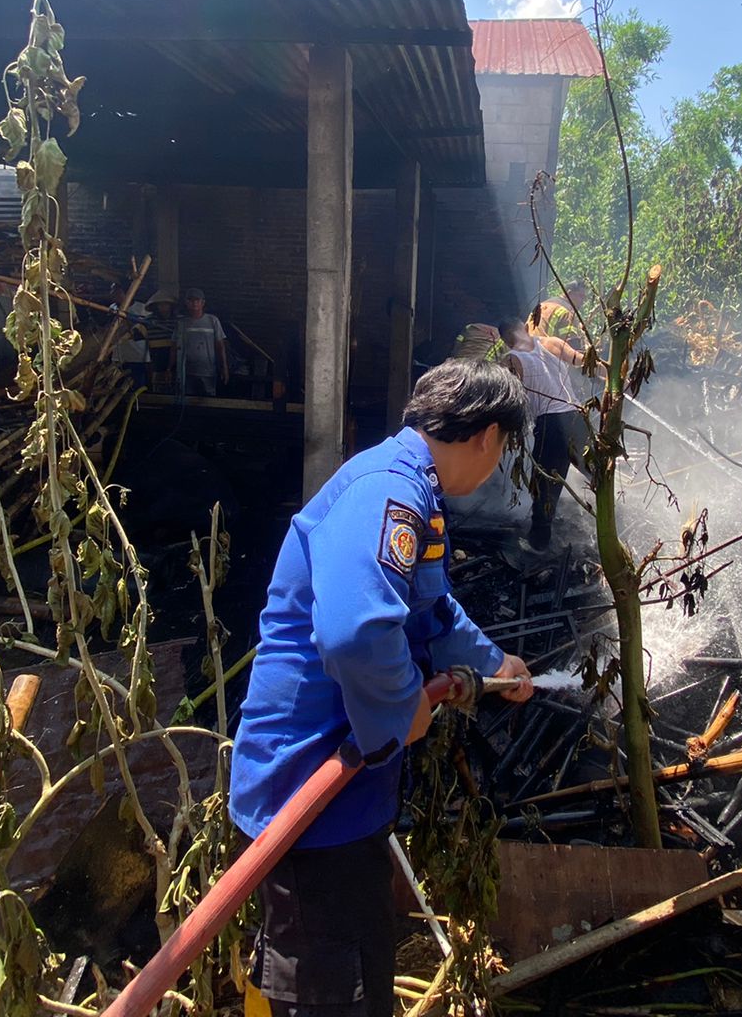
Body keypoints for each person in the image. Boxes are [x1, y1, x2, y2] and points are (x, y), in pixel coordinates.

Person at [230, 359, 536, 1017]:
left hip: (341, 789)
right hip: (309, 784)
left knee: (326, 959)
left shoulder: (412, 492)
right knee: (328, 989)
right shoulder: (387, 493)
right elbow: (355, 633)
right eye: (505, 448)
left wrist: (493, 663)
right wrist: (401, 711)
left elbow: (430, 611)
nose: (499, 463)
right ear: (486, 436)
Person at [499, 320, 588, 549]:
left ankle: (538, 544)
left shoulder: (511, 359)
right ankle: (614, 524)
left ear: (505, 340)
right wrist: (616, 378)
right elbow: (587, 363)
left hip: (551, 425)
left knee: (545, 486)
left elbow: (507, 399)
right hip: (578, 418)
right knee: (597, 473)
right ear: (526, 328)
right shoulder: (553, 343)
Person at [177, 286, 229, 396]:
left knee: (209, 399)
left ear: (203, 302)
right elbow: (175, 347)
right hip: (187, 371)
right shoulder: (182, 323)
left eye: (197, 300)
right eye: (190, 300)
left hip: (208, 371)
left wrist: (224, 368)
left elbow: (220, 346)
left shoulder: (212, 321)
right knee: (188, 400)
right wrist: (170, 368)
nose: (194, 303)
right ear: (186, 303)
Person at [528, 280, 588, 364]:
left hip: (527, 355)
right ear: (569, 293)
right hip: (546, 360)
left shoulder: (542, 305)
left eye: (584, 298)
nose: (583, 301)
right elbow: (572, 348)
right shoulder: (568, 313)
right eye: (580, 296)